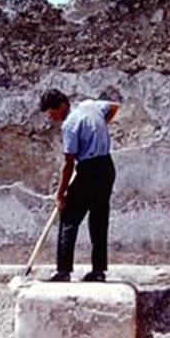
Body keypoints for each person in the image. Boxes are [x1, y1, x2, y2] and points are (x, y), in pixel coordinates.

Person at [39, 88, 119, 282]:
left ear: (62, 105)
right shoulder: (90, 105)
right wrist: (99, 128)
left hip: (89, 170)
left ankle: (63, 271)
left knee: (69, 218)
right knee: (99, 219)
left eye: (52, 113)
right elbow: (114, 107)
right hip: (106, 167)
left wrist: (60, 195)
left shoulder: (70, 125)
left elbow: (68, 163)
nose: (52, 118)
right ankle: (98, 271)